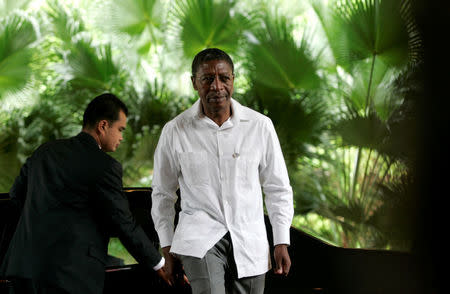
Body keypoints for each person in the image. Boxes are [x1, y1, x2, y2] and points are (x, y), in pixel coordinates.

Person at [151, 48, 294, 294]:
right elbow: (163, 193)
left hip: (249, 238)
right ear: (194, 82)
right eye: (207, 79)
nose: (216, 86)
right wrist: (166, 245)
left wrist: (281, 240)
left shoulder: (260, 127)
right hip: (200, 238)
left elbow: (277, 187)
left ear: (233, 80)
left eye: (224, 78)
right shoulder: (175, 131)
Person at [0, 93, 171, 294]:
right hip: (70, 276)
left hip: (23, 268)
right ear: (103, 126)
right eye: (120, 129)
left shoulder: (44, 152)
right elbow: (123, 222)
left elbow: (16, 195)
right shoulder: (105, 166)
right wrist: (159, 264)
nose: (121, 137)